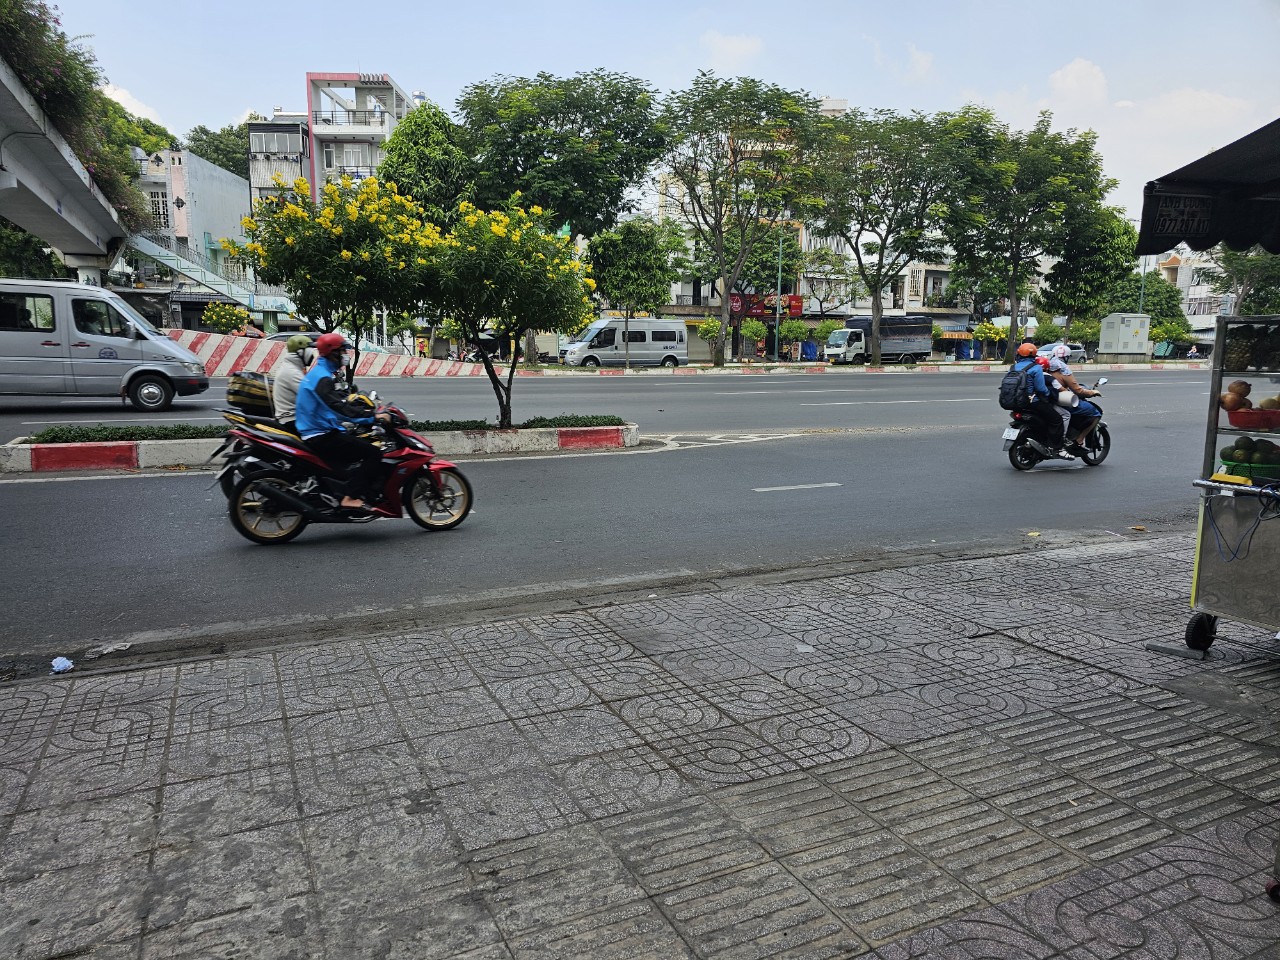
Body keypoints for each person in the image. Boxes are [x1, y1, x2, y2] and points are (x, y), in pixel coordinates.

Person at [295, 333, 390, 511]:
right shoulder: (322, 378)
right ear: (332, 353)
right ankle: (350, 496)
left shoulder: (320, 373)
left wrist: (361, 407)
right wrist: (372, 416)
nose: (346, 355)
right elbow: (338, 408)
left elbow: (337, 401)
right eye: (343, 351)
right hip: (320, 435)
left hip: (318, 429)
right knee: (373, 453)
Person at [1010, 343, 1069, 452]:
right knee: (1057, 419)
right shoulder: (1036, 368)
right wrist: (1049, 394)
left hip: (1015, 402)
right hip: (1032, 402)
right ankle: (1056, 448)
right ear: (1033, 354)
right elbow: (1041, 389)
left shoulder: (1013, 367)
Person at [1046, 344, 1102, 453]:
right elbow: (1078, 390)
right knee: (1096, 412)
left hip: (1046, 400)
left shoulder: (1045, 366)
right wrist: (1092, 392)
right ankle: (1079, 440)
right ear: (1066, 357)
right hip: (1061, 400)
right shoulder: (1063, 369)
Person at [270, 335, 315, 435]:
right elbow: (311, 396)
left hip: (294, 418)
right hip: (292, 420)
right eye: (310, 351)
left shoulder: (291, 367)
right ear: (300, 352)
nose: (312, 355)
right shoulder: (292, 372)